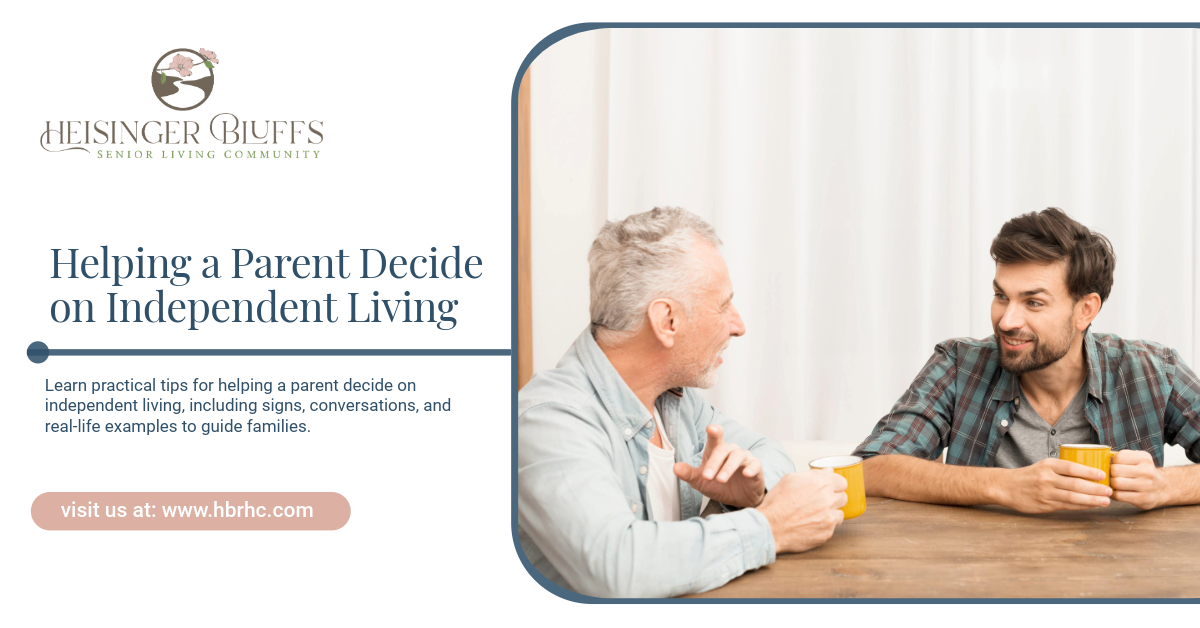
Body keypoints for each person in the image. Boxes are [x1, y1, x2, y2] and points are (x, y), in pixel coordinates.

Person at [518, 207, 848, 598]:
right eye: (723, 306)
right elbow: (616, 567)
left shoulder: (674, 402)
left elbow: (766, 451)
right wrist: (771, 526)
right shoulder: (547, 422)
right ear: (667, 321)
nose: (738, 325)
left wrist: (752, 489)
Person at [854, 207, 1200, 513]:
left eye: (1033, 303)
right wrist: (1004, 487)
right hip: (978, 577)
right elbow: (870, 469)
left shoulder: (1152, 370)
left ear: (1085, 310)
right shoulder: (959, 365)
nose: (1006, 321)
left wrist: (1164, 486)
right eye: (1001, 296)